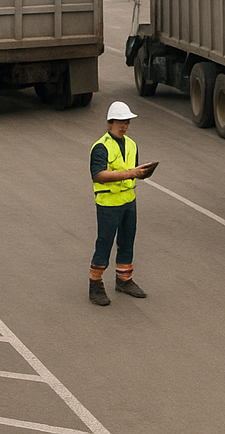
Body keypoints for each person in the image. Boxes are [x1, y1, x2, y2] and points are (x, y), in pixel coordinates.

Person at [88, 101, 156, 306]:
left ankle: (124, 280)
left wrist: (141, 173)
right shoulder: (101, 147)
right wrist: (132, 173)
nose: (124, 126)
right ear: (110, 123)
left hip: (128, 200)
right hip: (108, 203)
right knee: (105, 243)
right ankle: (95, 284)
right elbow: (98, 175)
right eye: (120, 121)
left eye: (127, 122)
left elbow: (132, 170)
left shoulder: (132, 144)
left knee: (127, 241)